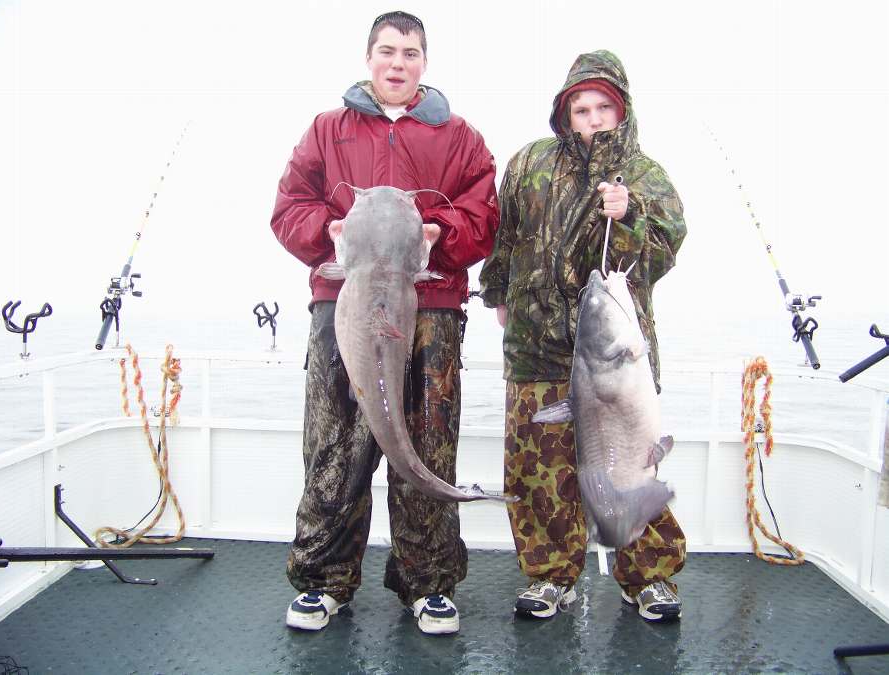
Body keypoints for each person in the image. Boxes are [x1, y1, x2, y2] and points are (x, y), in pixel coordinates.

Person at [270, 11, 498, 635]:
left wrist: (437, 235)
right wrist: (330, 232)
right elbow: (289, 208)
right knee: (335, 443)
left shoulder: (461, 139)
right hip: (341, 302)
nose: (399, 63)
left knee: (427, 442)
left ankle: (427, 584)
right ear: (369, 57)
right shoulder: (327, 130)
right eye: (388, 52)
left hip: (431, 308)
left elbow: (482, 219)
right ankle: (323, 581)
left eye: (411, 53)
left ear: (426, 62)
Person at [479, 50, 688, 622]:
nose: (592, 119)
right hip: (535, 348)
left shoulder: (644, 176)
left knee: (630, 467)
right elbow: (505, 237)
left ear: (621, 112)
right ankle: (551, 576)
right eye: (581, 108)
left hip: (614, 360)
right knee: (538, 471)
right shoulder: (528, 164)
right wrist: (497, 294)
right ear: (564, 111)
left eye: (603, 108)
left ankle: (647, 577)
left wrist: (630, 216)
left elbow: (661, 254)